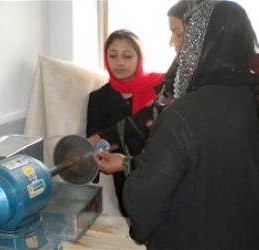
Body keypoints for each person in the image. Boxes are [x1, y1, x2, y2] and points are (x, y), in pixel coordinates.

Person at [94, 0, 259, 249]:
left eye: (185, 37)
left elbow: (145, 201)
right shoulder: (251, 96)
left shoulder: (184, 115)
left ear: (204, 45)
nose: (176, 45)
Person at [86, 29, 165, 215]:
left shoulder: (161, 87)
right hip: (126, 180)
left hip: (163, 171)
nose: (119, 62)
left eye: (127, 56)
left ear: (139, 58)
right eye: (113, 56)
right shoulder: (99, 98)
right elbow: (94, 142)